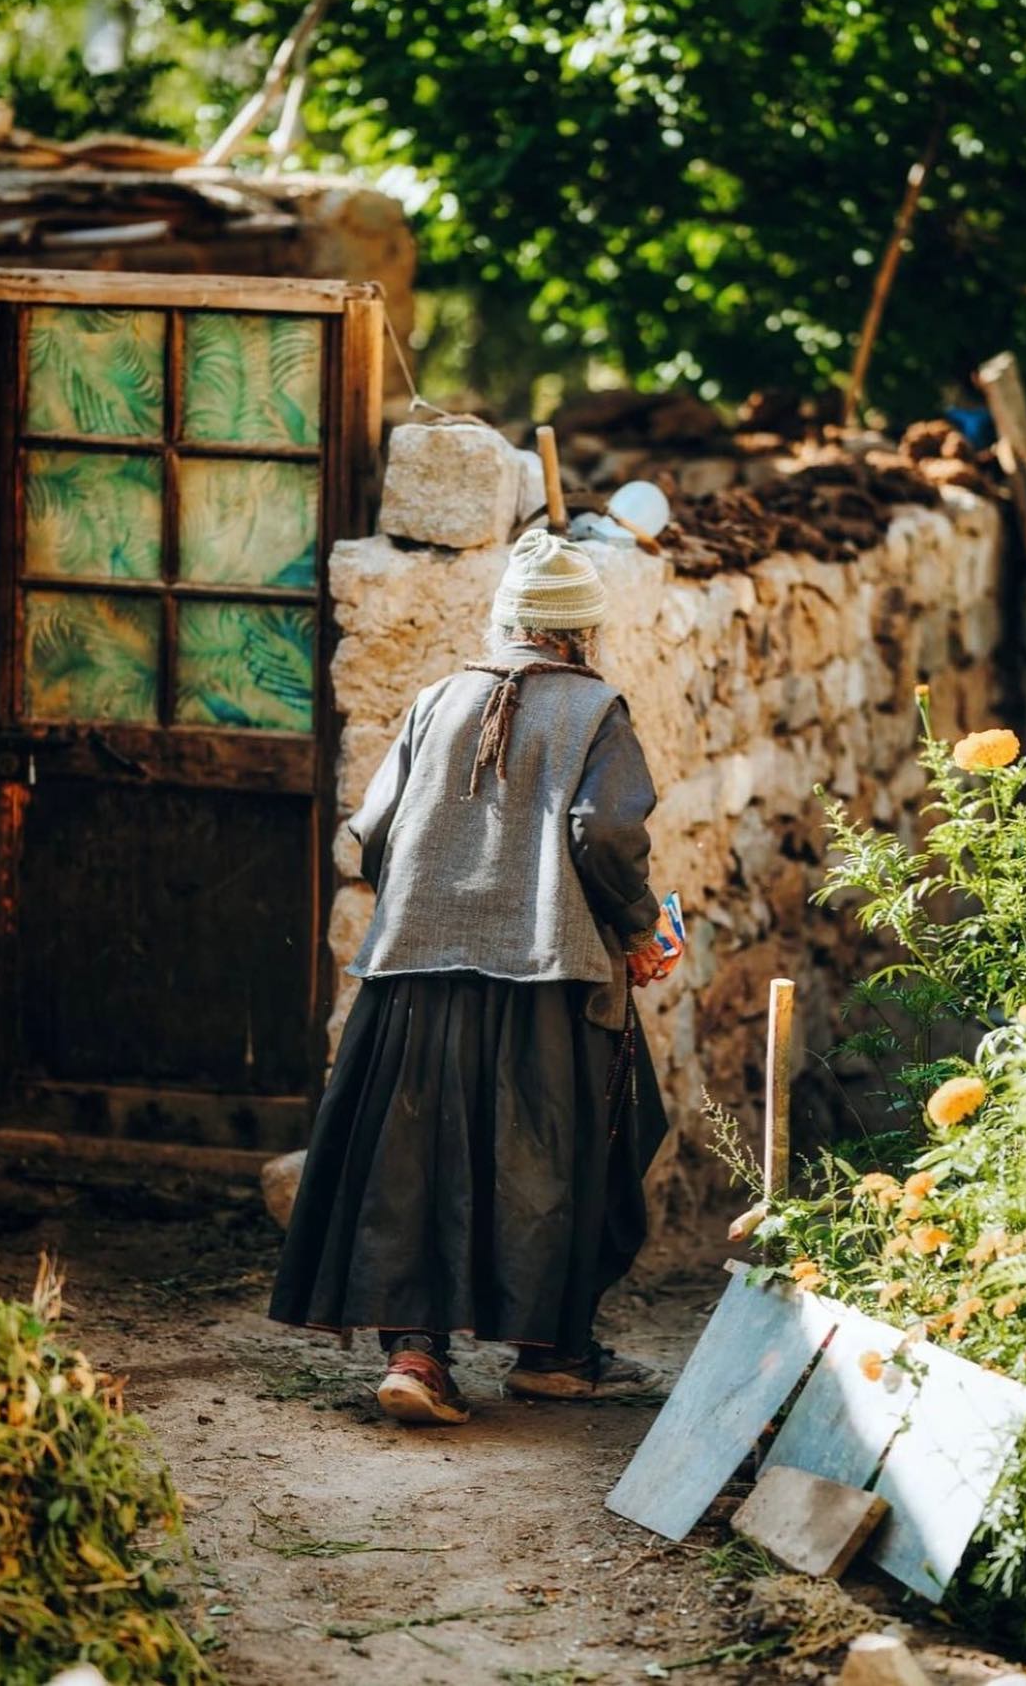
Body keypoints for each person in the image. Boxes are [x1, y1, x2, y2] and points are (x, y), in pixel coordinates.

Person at [269, 527, 674, 1425]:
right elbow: (604, 835)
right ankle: (553, 1353)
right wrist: (640, 926)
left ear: (509, 625)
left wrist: (439, 898)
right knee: (561, 1157)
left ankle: (417, 1357)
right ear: (580, 634)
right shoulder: (596, 712)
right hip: (546, 980)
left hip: (414, 976)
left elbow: (373, 834)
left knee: (412, 1160)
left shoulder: (435, 701)